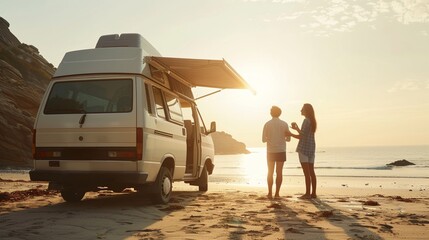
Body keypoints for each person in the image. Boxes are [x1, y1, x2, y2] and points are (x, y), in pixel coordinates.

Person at [262, 106, 291, 199]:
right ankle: (277, 193)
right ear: (280, 113)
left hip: (270, 151)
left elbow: (263, 140)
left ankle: (270, 192)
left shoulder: (267, 124)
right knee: (279, 172)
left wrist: (270, 138)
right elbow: (288, 139)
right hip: (281, 150)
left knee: (270, 172)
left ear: (271, 113)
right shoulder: (284, 124)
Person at [291, 103, 317, 199]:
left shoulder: (306, 120)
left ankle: (307, 194)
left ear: (306, 110)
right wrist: (297, 128)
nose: (300, 110)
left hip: (304, 149)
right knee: (312, 172)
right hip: (311, 148)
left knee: (306, 173)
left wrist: (289, 133)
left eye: (302, 109)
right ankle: (313, 193)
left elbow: (301, 136)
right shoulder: (312, 121)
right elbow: (304, 134)